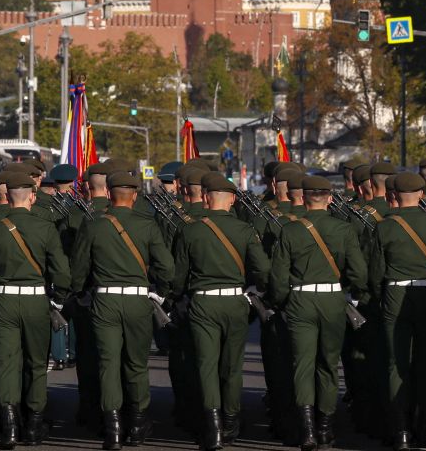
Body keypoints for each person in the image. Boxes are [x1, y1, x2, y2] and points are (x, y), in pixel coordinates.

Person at [70, 171, 174, 449]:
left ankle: (113, 428)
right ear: (136, 195)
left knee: (108, 364)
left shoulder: (94, 225)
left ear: (108, 194)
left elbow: (78, 270)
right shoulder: (148, 225)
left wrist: (81, 292)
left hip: (104, 301)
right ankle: (138, 425)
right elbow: (167, 268)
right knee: (136, 364)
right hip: (138, 301)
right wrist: (160, 293)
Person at [267, 175, 367, 450]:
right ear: (330, 198)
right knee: (329, 364)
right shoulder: (344, 229)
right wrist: (350, 290)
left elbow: (278, 276)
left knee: (303, 366)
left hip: (300, 299)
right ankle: (325, 428)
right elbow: (358, 272)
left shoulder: (289, 230)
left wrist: (281, 301)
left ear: (303, 198)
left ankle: (308, 430)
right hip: (332, 299)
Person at [0, 171, 70, 449]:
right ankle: (34, 424)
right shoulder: (46, 228)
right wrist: (57, 299)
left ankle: (10, 427)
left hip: (2, 301)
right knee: (36, 364)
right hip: (36, 301)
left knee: (6, 364)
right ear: (32, 196)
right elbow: (62, 273)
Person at [172, 172, 269, 451]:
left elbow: (179, 277)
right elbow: (262, 270)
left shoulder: (190, 230)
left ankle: (212, 428)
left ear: (204, 198)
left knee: (206, 365)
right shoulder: (245, 230)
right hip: (235, 301)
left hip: (203, 302)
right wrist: (258, 290)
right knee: (231, 366)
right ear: (234, 201)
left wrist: (177, 295)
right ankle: (230, 422)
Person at [370, 171, 426, 450]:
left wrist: (380, 297)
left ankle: (402, 431)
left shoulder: (384, 227)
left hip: (396, 294)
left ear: (395, 196)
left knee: (397, 364)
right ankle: (425, 426)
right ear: (423, 194)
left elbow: (375, 273)